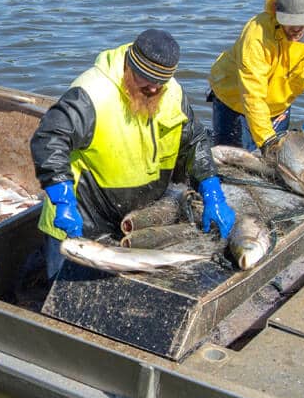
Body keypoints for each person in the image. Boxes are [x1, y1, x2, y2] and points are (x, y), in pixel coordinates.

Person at [30, 29, 235, 280]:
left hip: (131, 220)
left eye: (160, 83)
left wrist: (212, 190)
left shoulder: (171, 92)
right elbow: (49, 139)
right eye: (145, 79)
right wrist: (62, 201)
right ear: (129, 65)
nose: (152, 88)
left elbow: (195, 140)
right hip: (81, 218)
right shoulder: (92, 92)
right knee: (63, 298)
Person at [208, 0, 304, 158]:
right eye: (289, 22)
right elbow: (252, 95)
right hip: (235, 101)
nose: (295, 29)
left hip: (279, 106)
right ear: (276, 10)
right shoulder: (257, 35)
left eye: (301, 21)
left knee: (274, 163)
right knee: (234, 163)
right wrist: (268, 142)